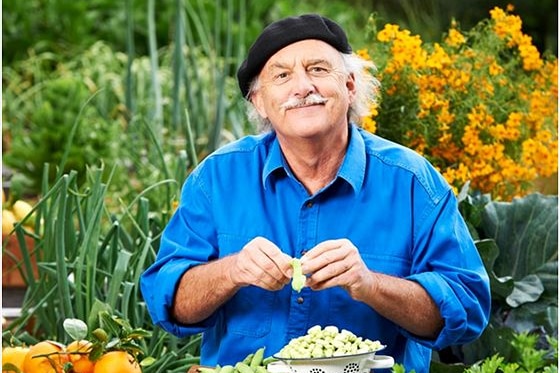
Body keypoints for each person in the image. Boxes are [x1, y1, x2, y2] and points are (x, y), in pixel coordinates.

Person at [140, 14, 491, 373]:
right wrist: (231, 271)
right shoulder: (217, 178)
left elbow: (466, 307)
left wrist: (369, 284)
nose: (302, 86)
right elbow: (169, 304)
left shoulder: (413, 182)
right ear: (260, 102)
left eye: (319, 69)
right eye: (281, 76)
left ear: (351, 86)